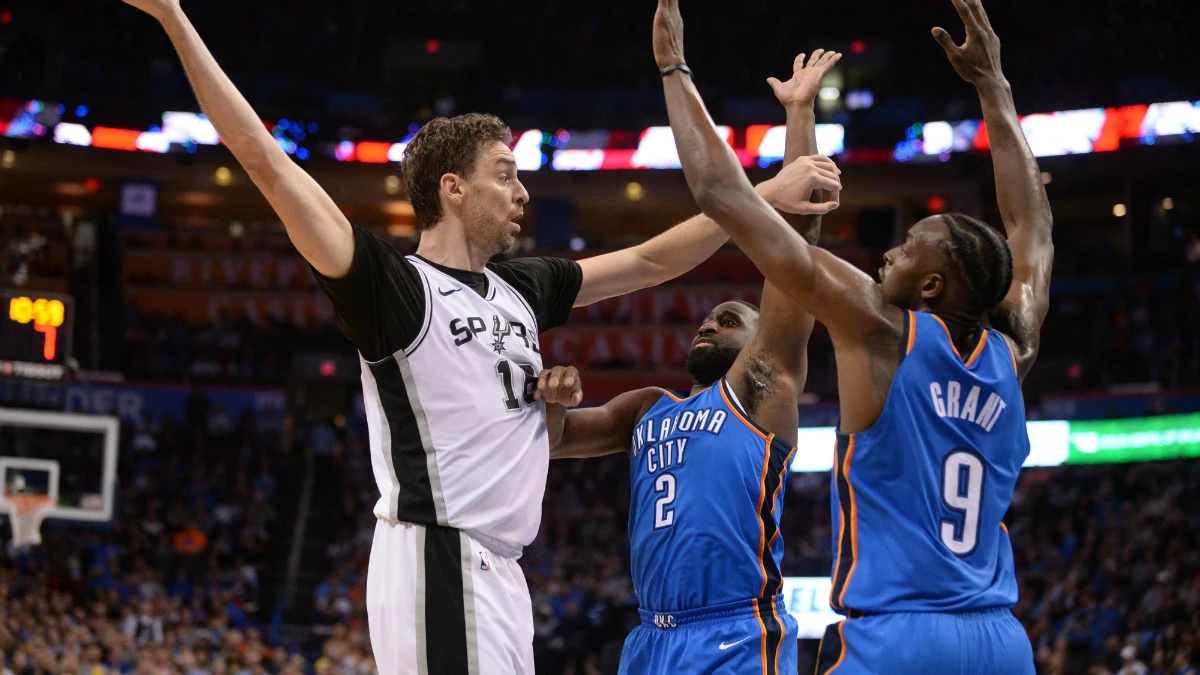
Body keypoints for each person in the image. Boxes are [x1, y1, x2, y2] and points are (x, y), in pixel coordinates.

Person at [118, 1, 836, 672]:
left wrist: (767, 195)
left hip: (497, 567)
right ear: (453, 189)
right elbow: (265, 161)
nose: (523, 192)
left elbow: (654, 258)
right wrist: (177, 18)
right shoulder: (394, 288)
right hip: (440, 552)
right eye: (506, 175)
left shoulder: (522, 288)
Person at [652, 0, 1053, 672]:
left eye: (909, 248)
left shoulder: (879, 327)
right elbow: (1032, 232)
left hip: (898, 637)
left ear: (932, 288)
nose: (890, 253)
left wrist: (672, 65)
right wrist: (994, 85)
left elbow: (724, 194)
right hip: (1000, 642)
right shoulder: (1015, 352)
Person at [549, 49, 843, 674]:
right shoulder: (648, 408)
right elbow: (551, 442)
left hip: (736, 631)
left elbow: (792, 247)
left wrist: (798, 113)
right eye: (709, 319)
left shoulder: (761, 386)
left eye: (732, 319)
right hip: (650, 638)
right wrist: (551, 398)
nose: (711, 322)